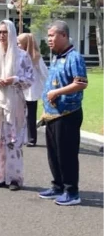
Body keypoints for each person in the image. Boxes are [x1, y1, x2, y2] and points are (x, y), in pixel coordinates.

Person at [38, 20, 88, 206]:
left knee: (67, 154)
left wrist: (56, 93)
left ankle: (71, 192)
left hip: (67, 113)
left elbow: (81, 83)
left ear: (64, 36)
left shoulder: (74, 57)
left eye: (52, 35)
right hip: (52, 114)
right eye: (48, 36)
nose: (49, 39)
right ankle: (57, 186)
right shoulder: (57, 57)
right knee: (54, 154)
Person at [0, 20, 34, 191]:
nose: (2, 35)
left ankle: (14, 178)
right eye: (0, 32)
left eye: (5, 32)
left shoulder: (22, 56)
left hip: (14, 102)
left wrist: (14, 80)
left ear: (11, 33)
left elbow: (30, 79)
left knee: (13, 140)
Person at [17, 33, 48, 146]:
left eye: (19, 43)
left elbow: (44, 74)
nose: (17, 45)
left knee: (30, 115)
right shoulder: (18, 56)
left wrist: (48, 88)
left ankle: (31, 138)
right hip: (20, 89)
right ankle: (21, 136)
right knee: (20, 114)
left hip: (31, 90)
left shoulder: (36, 57)